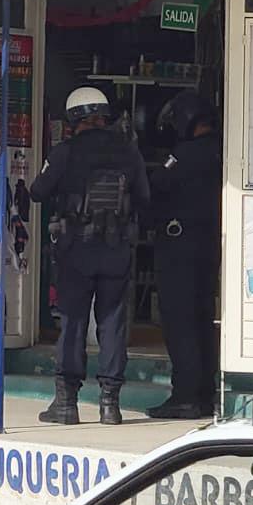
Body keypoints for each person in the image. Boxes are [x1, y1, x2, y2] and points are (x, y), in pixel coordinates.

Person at [31, 87, 149, 425]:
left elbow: (38, 191)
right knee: (112, 324)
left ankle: (66, 403)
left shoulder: (65, 152)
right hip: (116, 250)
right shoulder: (128, 152)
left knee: (73, 323)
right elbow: (145, 199)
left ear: (73, 118)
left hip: (76, 251)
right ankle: (110, 404)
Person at [147, 90, 221, 419]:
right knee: (203, 319)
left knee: (181, 322)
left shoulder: (186, 154)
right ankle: (204, 394)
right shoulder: (221, 152)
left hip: (180, 248)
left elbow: (157, 184)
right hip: (209, 247)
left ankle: (185, 396)